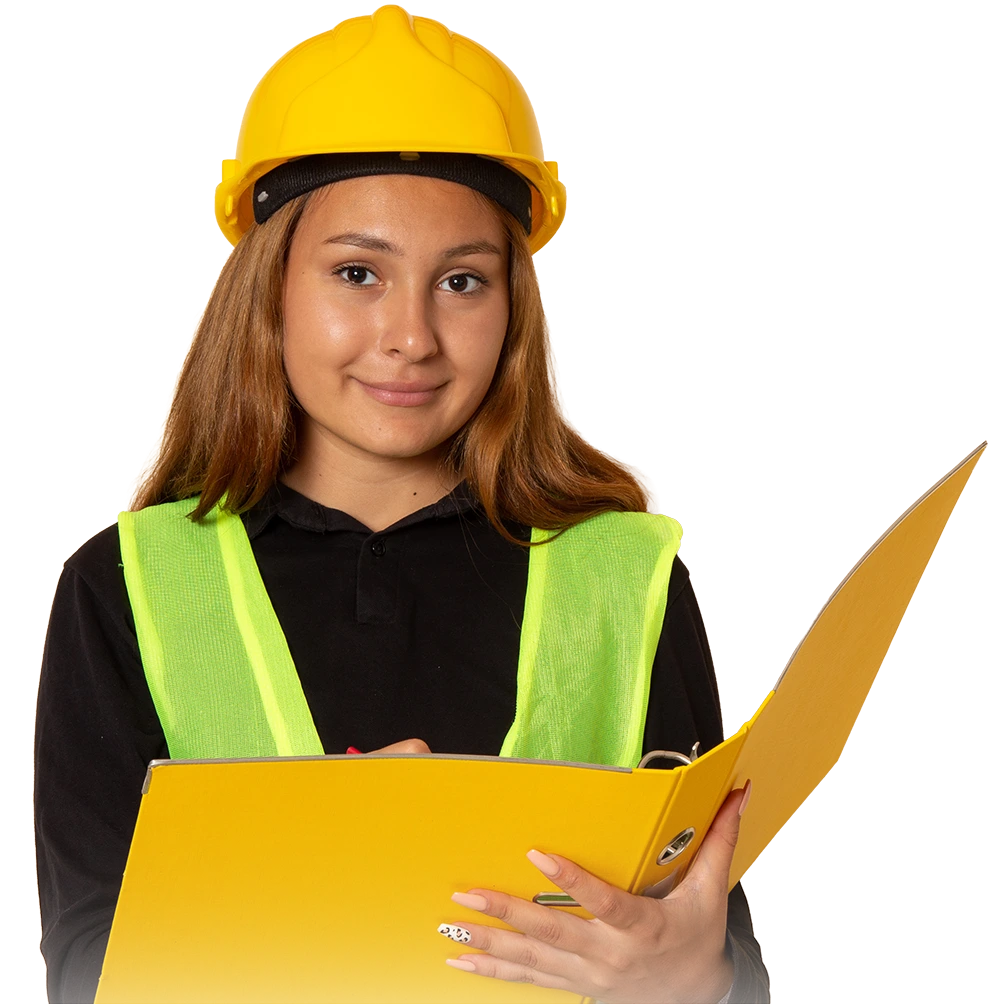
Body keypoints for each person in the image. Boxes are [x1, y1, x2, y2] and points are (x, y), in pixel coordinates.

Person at [33, 6, 770, 1003]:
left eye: (461, 281)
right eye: (357, 273)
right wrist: (314, 864)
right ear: (269, 289)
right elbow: (88, 975)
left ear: (512, 307)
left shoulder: (622, 578)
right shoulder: (129, 587)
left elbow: (719, 951)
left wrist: (698, 981)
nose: (411, 336)